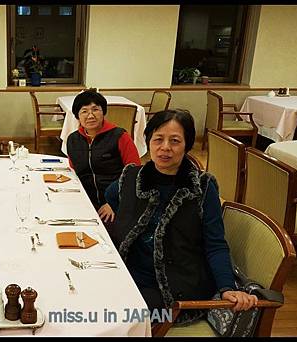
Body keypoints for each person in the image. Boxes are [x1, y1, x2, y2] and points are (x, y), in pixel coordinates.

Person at [109, 109, 257, 324]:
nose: (165, 147)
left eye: (175, 141)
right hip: (127, 273)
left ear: (187, 146)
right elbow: (111, 195)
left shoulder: (203, 188)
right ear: (148, 141)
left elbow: (215, 244)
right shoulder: (131, 177)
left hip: (173, 287)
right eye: (158, 139)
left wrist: (227, 287)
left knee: (113, 317)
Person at [66, 89, 140, 223]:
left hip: (113, 204)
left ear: (103, 112)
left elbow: (134, 174)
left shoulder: (120, 136)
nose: (90, 115)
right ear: (77, 116)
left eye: (95, 109)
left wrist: (114, 203)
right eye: (84, 111)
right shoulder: (72, 140)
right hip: (84, 201)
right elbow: (73, 171)